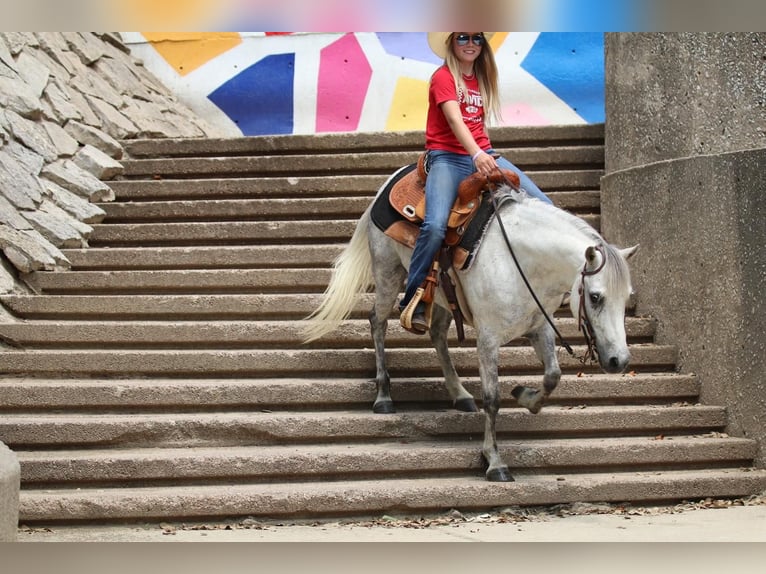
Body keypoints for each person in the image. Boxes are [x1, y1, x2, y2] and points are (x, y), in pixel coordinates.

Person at [399, 32, 553, 334]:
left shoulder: (481, 77)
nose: (471, 44)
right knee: (434, 227)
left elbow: (476, 122)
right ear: (451, 43)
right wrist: (477, 154)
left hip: (484, 153)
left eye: (477, 38)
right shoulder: (442, 77)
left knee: (545, 206)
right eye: (463, 37)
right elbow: (455, 121)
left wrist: (487, 152)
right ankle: (414, 297)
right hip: (447, 157)